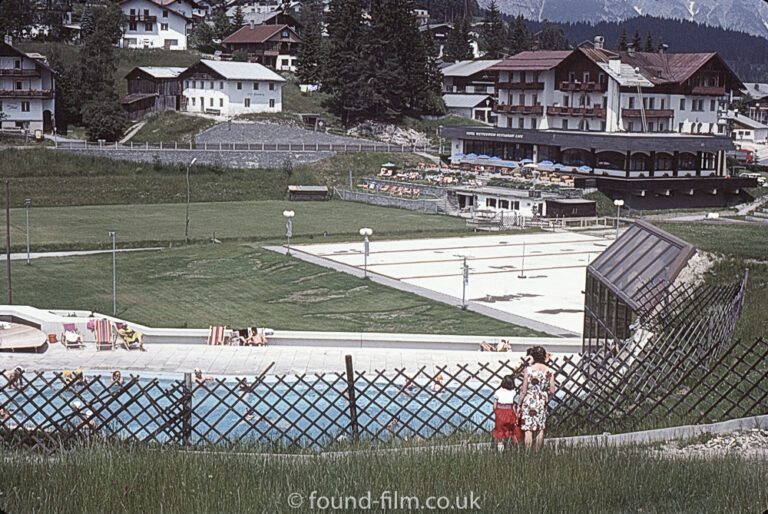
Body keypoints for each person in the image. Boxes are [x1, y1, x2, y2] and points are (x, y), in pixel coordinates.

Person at [516, 346, 556, 450]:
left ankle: (528, 454)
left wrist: (519, 404)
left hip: (529, 399)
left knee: (528, 428)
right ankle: (538, 453)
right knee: (540, 427)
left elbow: (523, 390)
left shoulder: (528, 370)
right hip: (541, 400)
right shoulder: (549, 372)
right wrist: (546, 398)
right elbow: (552, 390)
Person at [493, 374, 522, 451]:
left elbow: (495, 405)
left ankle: (500, 450)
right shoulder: (513, 392)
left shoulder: (498, 392)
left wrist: (496, 412)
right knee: (512, 430)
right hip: (510, 413)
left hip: (500, 413)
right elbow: (512, 405)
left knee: (500, 432)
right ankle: (513, 448)